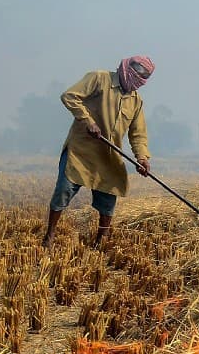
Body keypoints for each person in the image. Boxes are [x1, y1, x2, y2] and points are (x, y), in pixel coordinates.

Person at [41, 56, 155, 249]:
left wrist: (142, 158)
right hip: (81, 151)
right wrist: (88, 121)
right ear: (126, 66)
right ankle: (49, 236)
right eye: (136, 70)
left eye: (143, 76)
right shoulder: (99, 79)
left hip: (109, 156)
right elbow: (70, 96)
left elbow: (138, 134)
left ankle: (101, 241)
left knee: (108, 200)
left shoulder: (136, 102)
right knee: (63, 191)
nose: (137, 77)